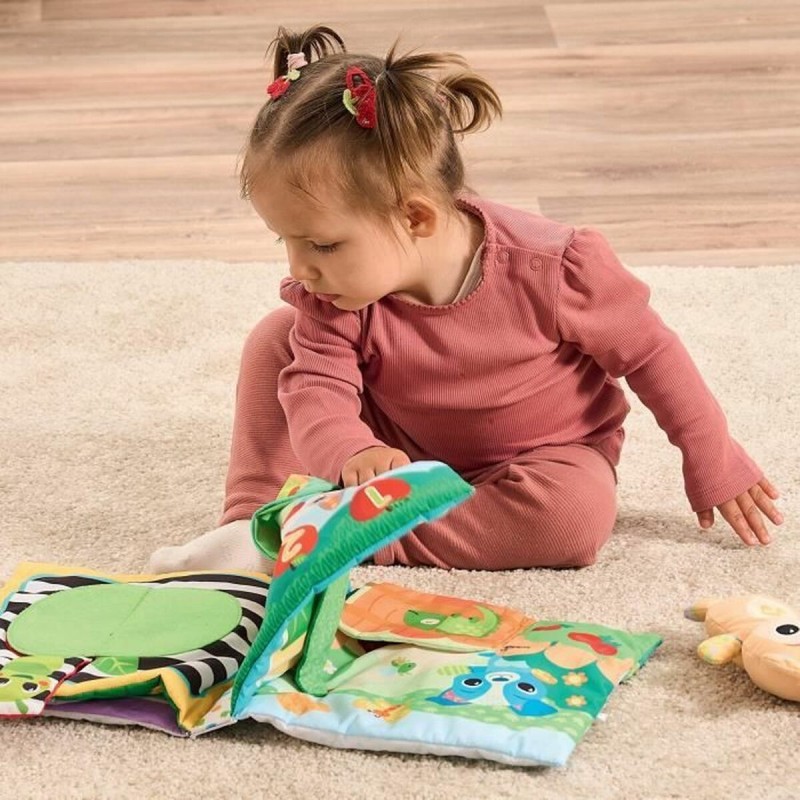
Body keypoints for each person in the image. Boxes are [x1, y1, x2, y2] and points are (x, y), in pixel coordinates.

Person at [148, 25, 783, 576]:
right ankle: (255, 522)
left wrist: (711, 455)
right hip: (390, 445)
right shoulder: (333, 295)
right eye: (284, 240)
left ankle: (346, 537)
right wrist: (351, 450)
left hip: (538, 457)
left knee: (575, 518)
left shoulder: (556, 266)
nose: (299, 267)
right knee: (276, 338)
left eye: (321, 243)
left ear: (416, 217)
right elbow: (318, 390)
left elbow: (650, 355)